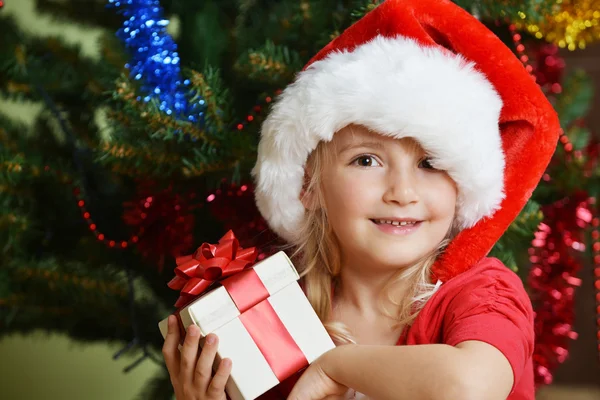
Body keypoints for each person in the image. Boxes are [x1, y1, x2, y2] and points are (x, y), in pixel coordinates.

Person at [161, 0, 560, 399]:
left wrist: (334, 366)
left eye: (430, 163)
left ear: (462, 187)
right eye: (366, 160)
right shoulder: (276, 314)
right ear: (308, 187)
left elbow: (467, 388)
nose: (402, 193)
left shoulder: (480, 292)